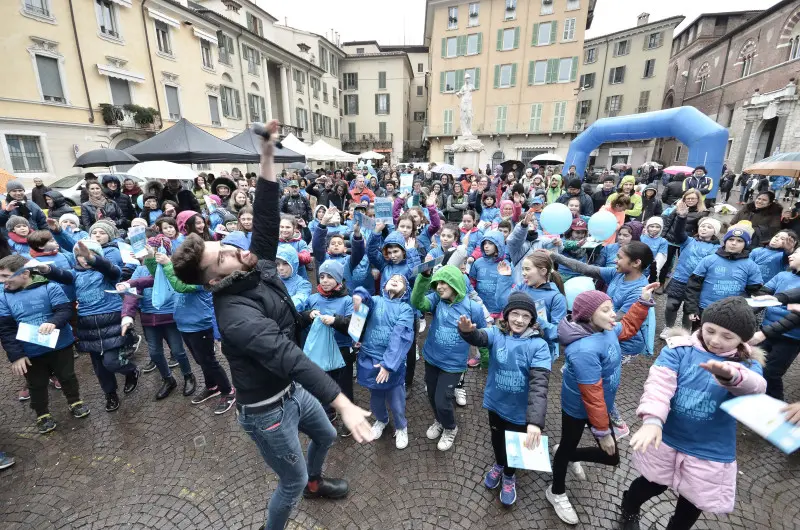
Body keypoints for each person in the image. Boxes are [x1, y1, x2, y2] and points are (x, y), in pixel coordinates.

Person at [167, 121, 373, 529]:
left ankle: (316, 483)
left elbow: (263, 216)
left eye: (224, 244)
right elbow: (287, 357)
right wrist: (344, 402)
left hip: (293, 389)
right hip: (266, 410)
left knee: (327, 437)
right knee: (290, 482)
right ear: (213, 280)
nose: (232, 250)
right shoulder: (234, 316)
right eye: (222, 256)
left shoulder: (251, 265)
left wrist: (266, 155)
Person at [622, 297, 766, 530]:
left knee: (692, 502)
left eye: (728, 336)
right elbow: (659, 385)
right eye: (710, 331)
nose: (716, 341)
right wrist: (653, 420)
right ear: (702, 325)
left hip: (709, 447)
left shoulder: (747, 365)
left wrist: (732, 377)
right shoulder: (679, 349)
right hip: (667, 436)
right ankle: (629, 507)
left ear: (743, 339)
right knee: (651, 484)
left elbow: (756, 387)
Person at [547, 284, 657, 525]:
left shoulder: (604, 330)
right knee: (590, 448)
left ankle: (565, 455)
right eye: (606, 310)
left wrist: (643, 301)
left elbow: (626, 326)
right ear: (588, 315)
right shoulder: (583, 349)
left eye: (612, 309)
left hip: (600, 407)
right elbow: (592, 394)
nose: (613, 315)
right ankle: (556, 492)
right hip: (579, 409)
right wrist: (603, 432)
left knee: (610, 457)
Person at [458, 293, 551, 506]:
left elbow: (539, 386)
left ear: (532, 320)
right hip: (496, 403)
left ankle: (509, 475)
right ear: (507, 315)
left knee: (515, 447)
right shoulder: (496, 333)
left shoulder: (539, 346)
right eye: (515, 314)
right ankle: (499, 464)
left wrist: (535, 422)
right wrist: (467, 332)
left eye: (525, 316)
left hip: (519, 411)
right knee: (497, 439)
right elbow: (479, 337)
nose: (519, 320)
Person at [39, 240, 140, 412]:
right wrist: (47, 270)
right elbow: (62, 275)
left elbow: (111, 269)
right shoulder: (74, 274)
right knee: (100, 366)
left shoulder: (108, 273)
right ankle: (110, 394)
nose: (83, 260)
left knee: (112, 361)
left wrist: (92, 258)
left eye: (87, 256)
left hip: (111, 320)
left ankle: (131, 371)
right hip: (88, 324)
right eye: (80, 257)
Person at [0, 255, 90, 433]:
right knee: (36, 383)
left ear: (25, 273)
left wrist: (54, 322)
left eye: (5, 276)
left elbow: (64, 310)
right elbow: (6, 330)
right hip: (29, 351)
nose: (2, 281)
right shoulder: (3, 297)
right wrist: (16, 356)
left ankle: (74, 401)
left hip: (59, 344)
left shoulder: (50, 286)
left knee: (67, 376)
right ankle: (42, 414)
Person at [143, 246, 235, 414]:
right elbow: (161, 276)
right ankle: (212, 386)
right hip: (185, 324)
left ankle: (228, 391)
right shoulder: (182, 273)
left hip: (201, 325)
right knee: (201, 360)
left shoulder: (204, 278)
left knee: (209, 361)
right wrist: (150, 258)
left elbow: (181, 287)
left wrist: (168, 264)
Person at [411, 265, 486, 451]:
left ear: (456, 283)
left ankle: (450, 428)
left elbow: (484, 334)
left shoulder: (473, 308)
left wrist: (486, 358)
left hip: (453, 365)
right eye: (437, 283)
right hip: (431, 357)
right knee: (431, 395)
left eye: (444, 282)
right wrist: (424, 278)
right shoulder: (437, 300)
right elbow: (417, 303)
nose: (439, 287)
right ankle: (439, 420)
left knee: (443, 401)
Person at [339, 275, 415, 449]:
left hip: (392, 363)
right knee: (375, 399)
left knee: (396, 400)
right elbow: (363, 304)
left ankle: (401, 427)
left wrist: (388, 365)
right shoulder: (375, 300)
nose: (395, 280)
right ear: (384, 284)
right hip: (369, 359)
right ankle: (381, 420)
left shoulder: (405, 309)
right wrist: (358, 296)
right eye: (391, 279)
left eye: (400, 281)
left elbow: (401, 336)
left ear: (405, 289)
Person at [118, 236, 196, 401]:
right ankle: (168, 379)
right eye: (146, 252)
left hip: (170, 317)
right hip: (149, 319)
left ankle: (188, 375)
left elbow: (163, 282)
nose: (148, 255)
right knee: (154, 352)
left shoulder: (171, 267)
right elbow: (132, 294)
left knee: (178, 351)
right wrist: (127, 316)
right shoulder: (139, 270)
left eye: (151, 251)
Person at [684, 227, 763, 331]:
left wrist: (746, 311)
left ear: (746, 244)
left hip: (733, 313)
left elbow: (756, 293)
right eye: (731, 239)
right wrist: (692, 309)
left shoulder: (751, 265)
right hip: (706, 309)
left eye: (739, 241)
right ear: (725, 241)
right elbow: (693, 286)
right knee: (700, 341)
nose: (734, 243)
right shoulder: (709, 260)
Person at [662, 203, 721, 334]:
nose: (704, 229)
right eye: (702, 226)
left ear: (715, 232)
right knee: (671, 304)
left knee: (689, 310)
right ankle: (669, 327)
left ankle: (685, 331)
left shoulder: (717, 249)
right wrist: (682, 217)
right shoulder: (688, 241)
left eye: (709, 227)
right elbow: (678, 232)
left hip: (698, 283)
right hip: (680, 278)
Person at [752, 247, 800, 400]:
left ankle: (778, 407)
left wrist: (778, 298)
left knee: (771, 373)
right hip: (766, 329)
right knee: (755, 365)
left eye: (797, 253)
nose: (791, 255)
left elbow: (794, 317)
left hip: (790, 337)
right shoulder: (783, 275)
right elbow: (764, 294)